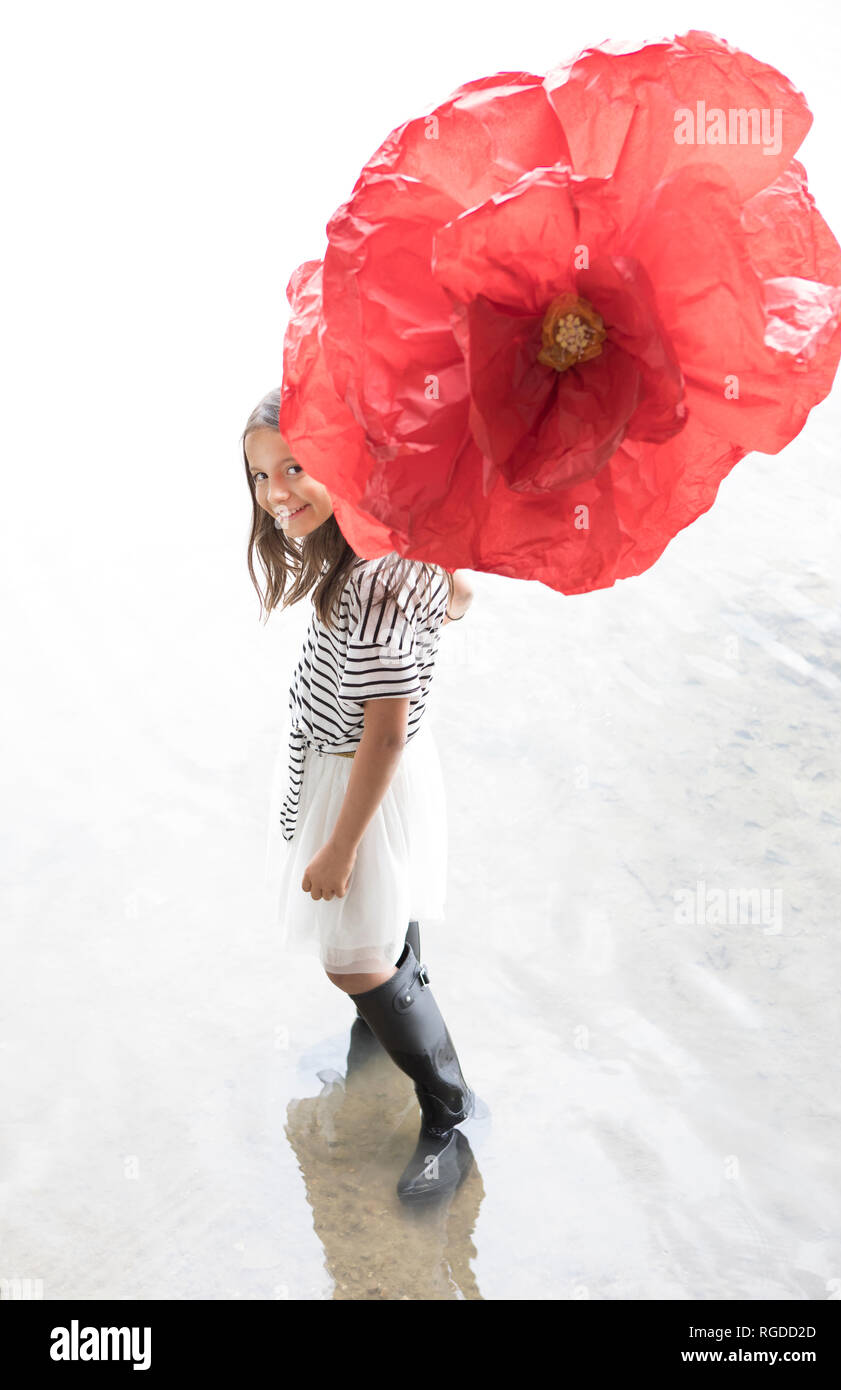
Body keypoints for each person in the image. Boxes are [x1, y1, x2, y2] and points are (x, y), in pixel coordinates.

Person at [241, 387, 476, 1201]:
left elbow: (382, 733)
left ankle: (447, 1106)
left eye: (297, 467)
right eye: (264, 476)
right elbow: (459, 599)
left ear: (344, 456)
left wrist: (339, 847)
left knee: (351, 957)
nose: (277, 495)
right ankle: (379, 1041)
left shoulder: (368, 585)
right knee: (386, 918)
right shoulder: (389, 543)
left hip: (361, 776)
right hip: (365, 764)